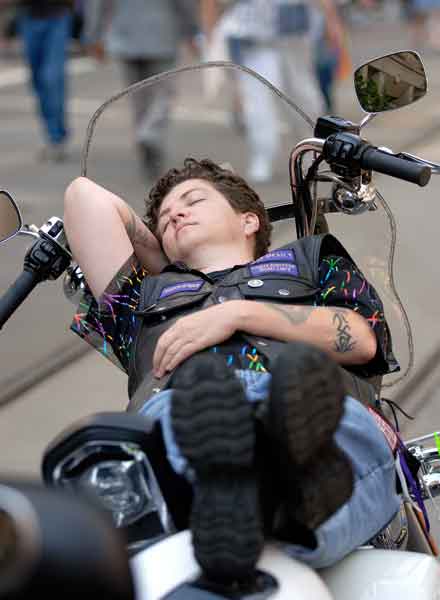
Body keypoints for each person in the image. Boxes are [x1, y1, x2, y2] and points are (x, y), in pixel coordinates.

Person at [64, 158, 401, 585]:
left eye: (193, 200)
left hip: (309, 400)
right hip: (187, 407)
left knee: (342, 429)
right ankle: (284, 505)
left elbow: (361, 338)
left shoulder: (310, 259)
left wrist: (239, 314)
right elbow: (83, 197)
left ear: (248, 220)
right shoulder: (140, 300)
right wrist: (163, 260)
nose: (176, 214)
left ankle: (238, 502)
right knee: (170, 429)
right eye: (166, 217)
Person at [200, 1, 344, 183]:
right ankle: (263, 155)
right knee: (258, 100)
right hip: (254, 36)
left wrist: (332, 22)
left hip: (294, 32)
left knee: (305, 98)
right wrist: (210, 31)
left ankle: (311, 153)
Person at [82, 0, 199, 182]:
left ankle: (145, 141)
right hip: (162, 34)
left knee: (138, 98)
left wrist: (93, 34)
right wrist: (192, 31)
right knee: (163, 93)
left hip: (126, 35)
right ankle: (150, 133)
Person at [11, 0, 75, 162]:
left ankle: (56, 137)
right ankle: (51, 133)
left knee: (51, 78)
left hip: (57, 15)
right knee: (37, 81)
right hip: (28, 16)